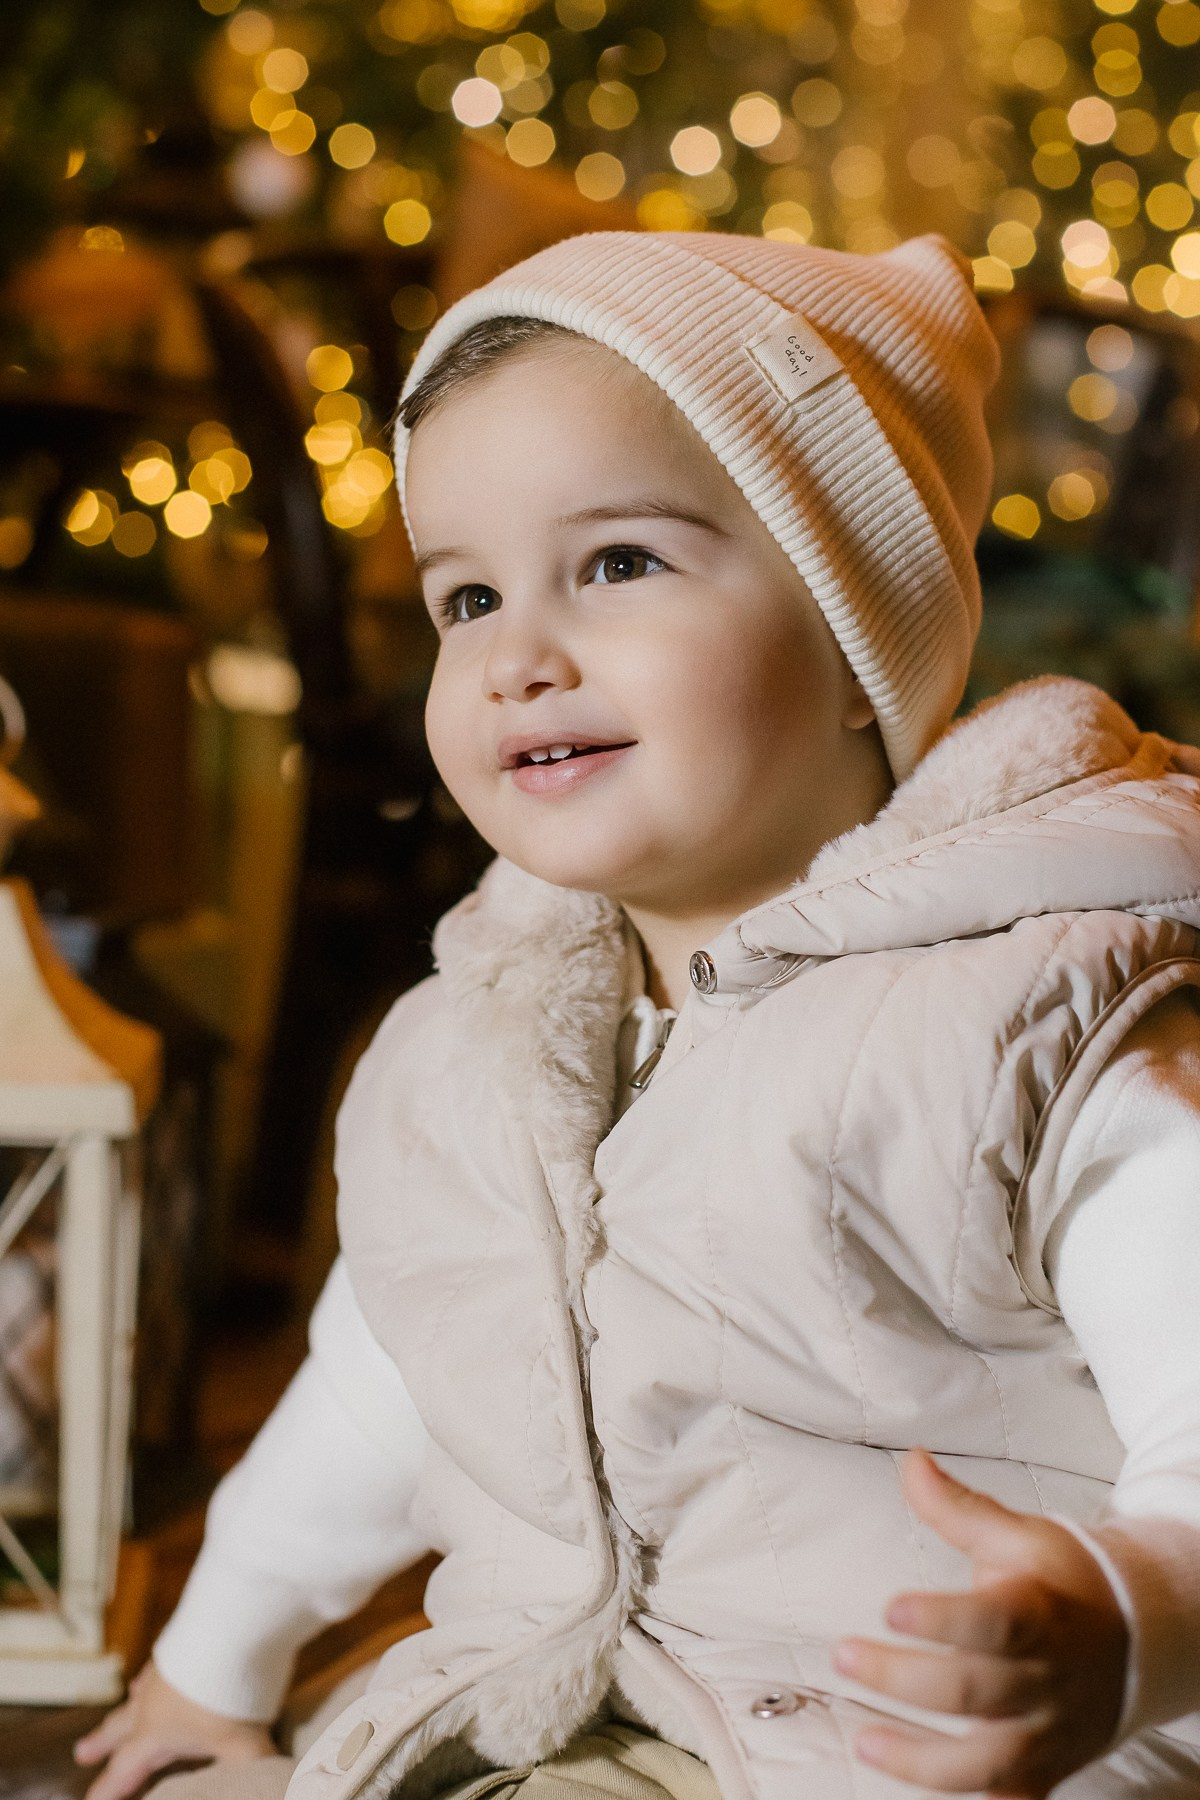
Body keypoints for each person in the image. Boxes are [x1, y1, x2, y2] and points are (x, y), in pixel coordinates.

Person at [76, 230, 1200, 1800]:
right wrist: (215, 1666)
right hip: (585, 1706)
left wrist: (1123, 1623)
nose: (518, 657)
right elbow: (394, 1379)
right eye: (466, 596)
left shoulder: (1036, 1017)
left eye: (616, 564)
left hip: (960, 1745)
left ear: (851, 631)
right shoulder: (467, 1052)